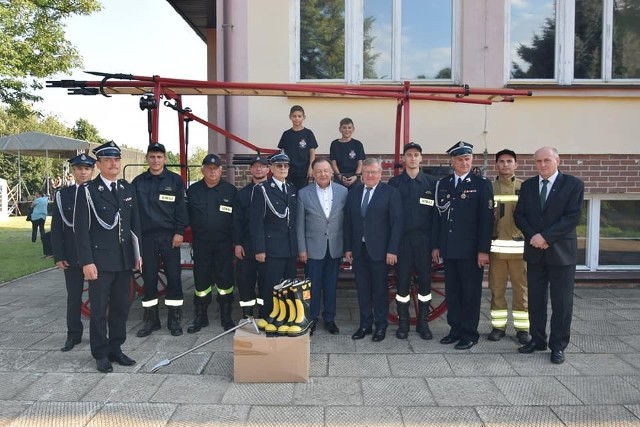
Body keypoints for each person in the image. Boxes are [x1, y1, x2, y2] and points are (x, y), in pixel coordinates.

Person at [74, 141, 142, 373]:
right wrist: (87, 262)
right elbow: (81, 229)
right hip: (100, 262)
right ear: (99, 164)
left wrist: (137, 253)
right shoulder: (88, 191)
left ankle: (116, 348)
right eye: (108, 160)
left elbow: (134, 224)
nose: (114, 164)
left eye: (116, 159)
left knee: (121, 307)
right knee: (99, 310)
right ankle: (100, 353)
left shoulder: (125, 188)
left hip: (123, 259)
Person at [514, 146, 584, 365]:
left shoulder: (573, 185)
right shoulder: (527, 186)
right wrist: (533, 236)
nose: (542, 165)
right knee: (535, 300)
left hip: (561, 254)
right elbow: (520, 215)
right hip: (535, 253)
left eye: (547, 160)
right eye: (538, 161)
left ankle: (558, 346)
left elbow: (572, 217)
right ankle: (537, 340)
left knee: (562, 302)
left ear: (557, 161)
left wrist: (545, 237)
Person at [432, 141, 494, 350]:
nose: (464, 163)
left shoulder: (481, 184)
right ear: (452, 162)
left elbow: (486, 221)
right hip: (449, 249)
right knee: (453, 293)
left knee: (470, 293)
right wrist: (436, 246)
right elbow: (438, 218)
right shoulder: (445, 183)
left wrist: (483, 250)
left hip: (471, 251)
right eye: (459, 159)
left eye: (467, 159)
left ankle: (469, 333)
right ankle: (455, 329)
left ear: (472, 160)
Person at [132, 142, 189, 337]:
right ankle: (151, 319)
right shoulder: (138, 182)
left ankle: (174, 319)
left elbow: (182, 208)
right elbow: (132, 213)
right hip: (146, 237)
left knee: (173, 277)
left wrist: (180, 232)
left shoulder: (175, 181)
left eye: (159, 157)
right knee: (149, 278)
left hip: (169, 237)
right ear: (147, 159)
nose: (156, 160)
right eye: (152, 156)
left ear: (165, 159)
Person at [344, 157, 403, 342]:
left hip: (381, 251)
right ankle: (365, 325)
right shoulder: (354, 192)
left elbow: (397, 223)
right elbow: (348, 222)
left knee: (379, 291)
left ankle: (381, 325)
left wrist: (392, 250)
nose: (370, 175)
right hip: (359, 250)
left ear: (380, 173)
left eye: (374, 172)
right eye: (367, 172)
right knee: (362, 290)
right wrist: (348, 248)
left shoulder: (391, 193)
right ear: (362, 174)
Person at [388, 142, 437, 340]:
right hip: (402, 241)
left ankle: (423, 322)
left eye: (416, 155)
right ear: (404, 159)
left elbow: (437, 217)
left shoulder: (432, 183)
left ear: (421, 158)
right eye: (409, 155)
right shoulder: (394, 183)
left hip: (424, 241)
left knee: (425, 283)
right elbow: (390, 216)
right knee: (402, 283)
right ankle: (403, 322)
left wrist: (435, 245)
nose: (413, 158)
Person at [186, 154, 238, 332]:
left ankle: (226, 314)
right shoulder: (193, 191)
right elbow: (185, 216)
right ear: (202, 170)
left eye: (216, 168)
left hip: (224, 244)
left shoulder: (230, 191)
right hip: (201, 244)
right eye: (208, 168)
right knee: (201, 281)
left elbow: (236, 220)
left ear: (221, 170)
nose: (212, 171)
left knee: (225, 281)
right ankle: (201, 316)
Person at [297, 157, 348, 335]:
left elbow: (347, 222)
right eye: (319, 171)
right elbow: (299, 224)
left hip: (335, 247)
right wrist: (302, 249)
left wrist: (346, 247)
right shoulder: (304, 193)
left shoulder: (343, 192)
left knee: (331, 285)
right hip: (313, 250)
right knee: (312, 288)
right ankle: (312, 320)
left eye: (326, 170)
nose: (323, 174)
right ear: (313, 174)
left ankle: (330, 319)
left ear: (331, 172)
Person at [51, 153, 95, 352]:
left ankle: (98, 336)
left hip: (94, 255)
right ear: (73, 171)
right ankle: (73, 335)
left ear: (92, 170)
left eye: (87, 168)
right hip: (72, 254)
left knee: (98, 298)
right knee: (74, 297)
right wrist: (59, 256)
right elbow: (57, 228)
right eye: (79, 168)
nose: (83, 172)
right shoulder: (63, 195)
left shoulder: (98, 191)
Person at [249, 153, 298, 328]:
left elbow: (293, 221)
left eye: (286, 166)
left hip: (290, 249)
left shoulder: (292, 188)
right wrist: (259, 249)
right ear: (271, 168)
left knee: (288, 288)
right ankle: (268, 319)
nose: (283, 169)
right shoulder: (262, 189)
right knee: (271, 288)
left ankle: (285, 318)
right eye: (279, 166)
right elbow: (256, 223)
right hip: (271, 249)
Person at [488, 149, 530, 345]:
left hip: (519, 252)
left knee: (521, 291)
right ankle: (498, 327)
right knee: (497, 290)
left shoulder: (525, 188)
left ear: (516, 164)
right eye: (502, 161)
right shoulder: (489, 188)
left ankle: (522, 328)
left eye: (509, 161)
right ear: (497, 164)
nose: (505, 165)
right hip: (496, 251)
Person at [232, 155, 270, 318]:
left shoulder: (274, 191)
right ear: (251, 170)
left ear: (268, 169)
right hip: (247, 244)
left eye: (262, 166)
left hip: (268, 245)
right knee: (245, 280)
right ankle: (247, 313)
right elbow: (236, 221)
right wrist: (237, 243)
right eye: (255, 166)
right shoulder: (243, 194)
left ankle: (264, 312)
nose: (259, 169)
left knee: (266, 281)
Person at [277, 105, 318, 191]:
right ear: (290, 117)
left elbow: (312, 153)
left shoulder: (308, 133)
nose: (297, 119)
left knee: (302, 193)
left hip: (304, 170)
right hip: (289, 170)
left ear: (304, 117)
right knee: (289, 192)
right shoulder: (286, 134)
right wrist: (282, 167)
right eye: (294, 116)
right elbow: (282, 153)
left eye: (299, 116)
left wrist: (311, 167)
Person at [330, 117, 365, 189]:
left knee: (356, 198)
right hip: (339, 176)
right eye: (344, 128)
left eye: (349, 128)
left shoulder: (358, 144)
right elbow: (333, 163)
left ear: (353, 129)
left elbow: (360, 163)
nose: (347, 130)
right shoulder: (334, 144)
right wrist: (340, 176)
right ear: (340, 129)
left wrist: (356, 176)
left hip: (354, 176)